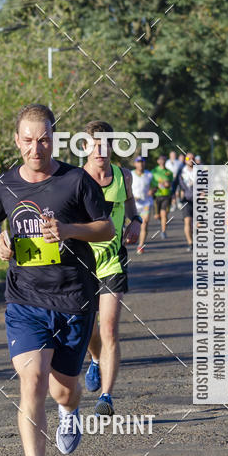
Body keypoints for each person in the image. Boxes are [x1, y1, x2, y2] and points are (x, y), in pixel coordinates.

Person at [0, 103, 114, 456]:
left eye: (43, 140)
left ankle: (69, 413)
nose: (35, 148)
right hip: (25, 300)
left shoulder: (76, 181)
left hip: (73, 299)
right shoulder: (4, 184)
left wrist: (69, 230)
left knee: (64, 391)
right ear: (16, 140)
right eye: (28, 140)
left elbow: (106, 228)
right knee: (33, 380)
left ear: (53, 139)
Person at [81, 123, 141, 416]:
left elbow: (129, 203)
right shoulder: (75, 179)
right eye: (95, 145)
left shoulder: (123, 176)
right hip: (82, 263)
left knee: (109, 329)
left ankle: (106, 396)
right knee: (88, 328)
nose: (100, 151)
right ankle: (95, 359)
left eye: (105, 145)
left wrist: (136, 220)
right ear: (85, 147)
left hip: (113, 261)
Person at [130, 155, 154, 253]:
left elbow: (155, 186)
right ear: (135, 164)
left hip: (146, 203)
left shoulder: (149, 175)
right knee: (132, 225)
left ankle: (141, 245)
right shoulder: (130, 174)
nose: (140, 164)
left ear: (144, 163)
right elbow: (126, 188)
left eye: (142, 162)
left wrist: (153, 190)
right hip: (133, 204)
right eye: (138, 162)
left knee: (144, 224)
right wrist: (132, 196)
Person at [173, 152, 196, 251]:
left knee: (198, 224)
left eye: (192, 158)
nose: (190, 160)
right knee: (187, 222)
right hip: (186, 199)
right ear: (185, 160)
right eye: (188, 158)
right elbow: (175, 184)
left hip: (199, 200)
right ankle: (190, 243)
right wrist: (173, 195)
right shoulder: (181, 171)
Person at [151, 154, 173, 239]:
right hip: (156, 196)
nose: (162, 161)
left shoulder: (169, 172)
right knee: (157, 216)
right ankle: (161, 221)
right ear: (158, 161)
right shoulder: (154, 171)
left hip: (166, 195)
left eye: (164, 160)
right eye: (160, 160)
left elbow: (171, 183)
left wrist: (168, 184)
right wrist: (157, 186)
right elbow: (150, 183)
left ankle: (163, 231)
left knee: (164, 214)